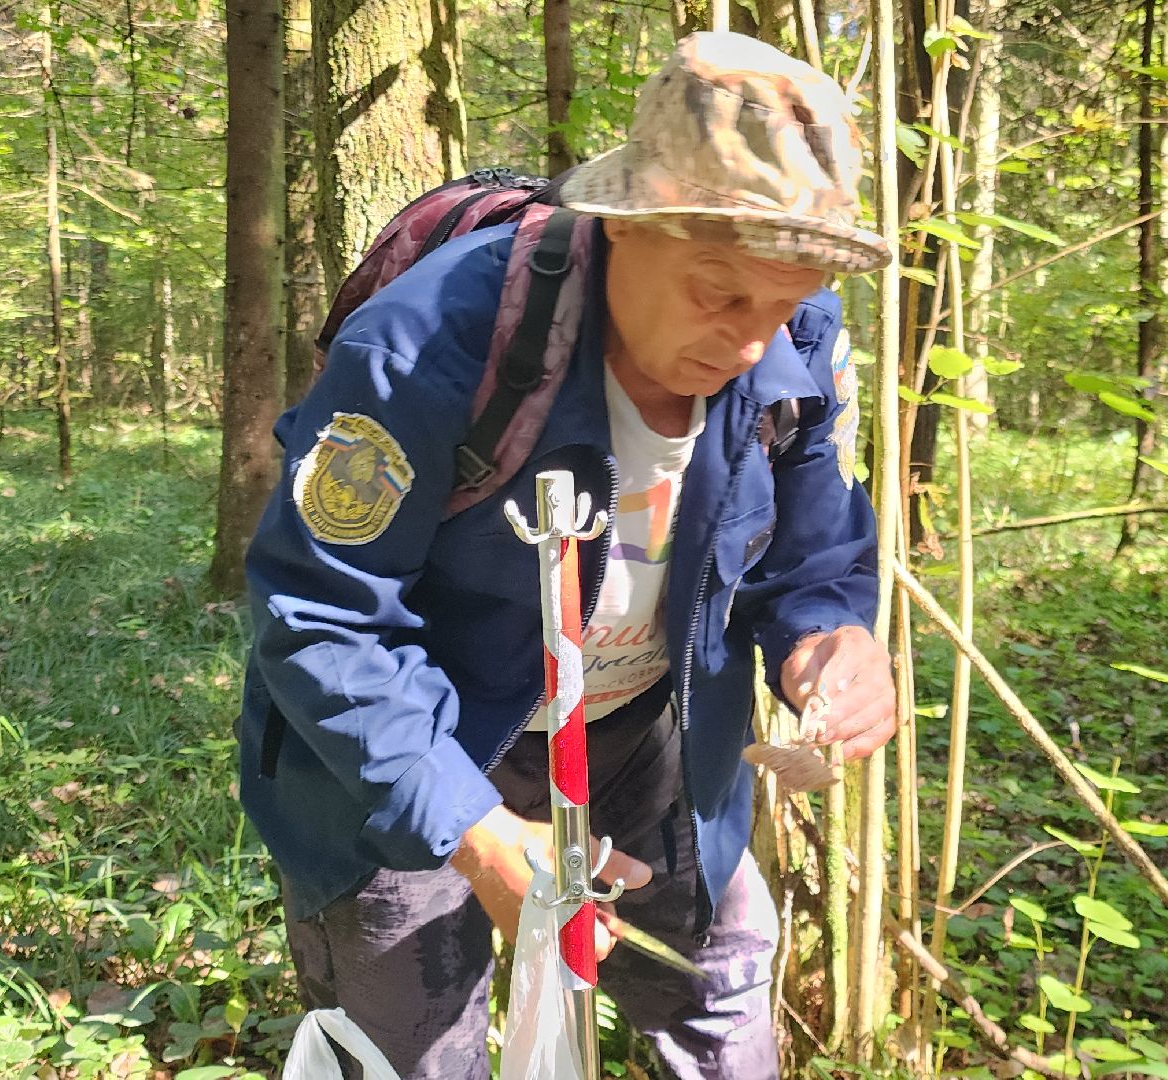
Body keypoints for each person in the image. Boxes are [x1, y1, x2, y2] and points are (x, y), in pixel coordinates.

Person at [236, 31, 896, 1079]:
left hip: (639, 723)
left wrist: (834, 639)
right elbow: (321, 616)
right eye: (718, 293)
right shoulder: (430, 343)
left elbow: (815, 552)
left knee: (716, 989)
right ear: (624, 227)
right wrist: (475, 830)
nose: (748, 343)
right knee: (410, 1052)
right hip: (417, 735)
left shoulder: (797, 334)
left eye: (780, 305)